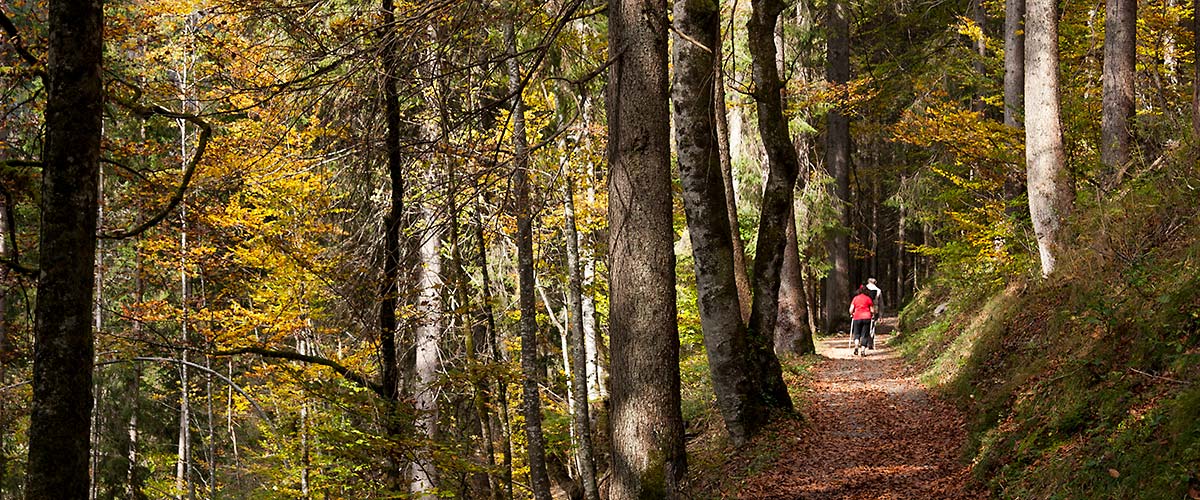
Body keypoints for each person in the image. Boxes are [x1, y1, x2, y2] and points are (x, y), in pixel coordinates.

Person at [848, 286, 875, 356]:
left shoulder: (855, 298)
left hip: (857, 317)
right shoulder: (868, 299)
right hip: (867, 317)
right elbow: (872, 310)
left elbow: (851, 309)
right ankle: (863, 350)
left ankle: (856, 346)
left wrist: (852, 314)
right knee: (865, 334)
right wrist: (872, 314)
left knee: (856, 333)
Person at [865, 278, 883, 349]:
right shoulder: (878, 290)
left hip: (864, 309)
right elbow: (881, 303)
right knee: (872, 326)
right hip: (874, 310)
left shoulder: (863, 289)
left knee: (864, 326)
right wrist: (881, 315)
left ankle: (864, 341)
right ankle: (870, 342)